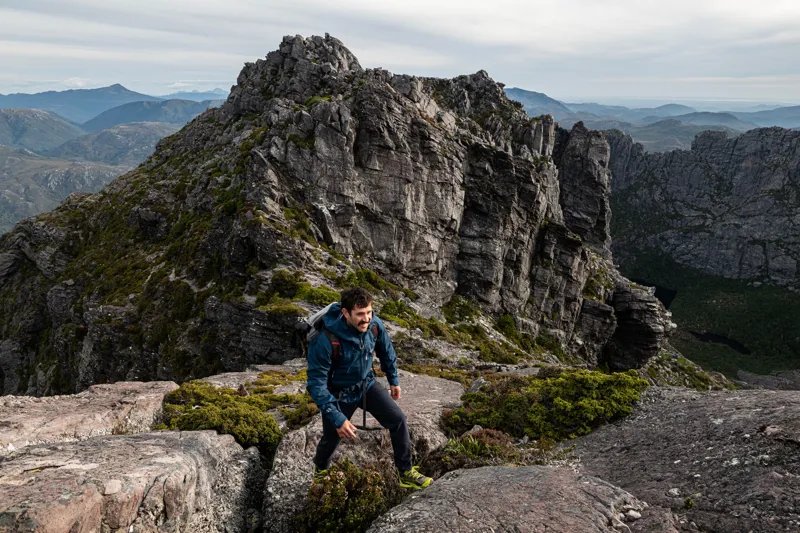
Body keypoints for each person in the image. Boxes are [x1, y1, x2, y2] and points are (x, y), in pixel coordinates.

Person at [306, 287, 432, 489]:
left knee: (398, 420)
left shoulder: (374, 324)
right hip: (338, 393)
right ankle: (321, 470)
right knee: (331, 436)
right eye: (360, 314)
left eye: (369, 312)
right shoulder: (324, 339)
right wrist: (338, 418)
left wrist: (393, 379)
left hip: (367, 384)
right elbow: (316, 384)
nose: (366, 319)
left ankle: (406, 472)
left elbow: (386, 349)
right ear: (346, 313)